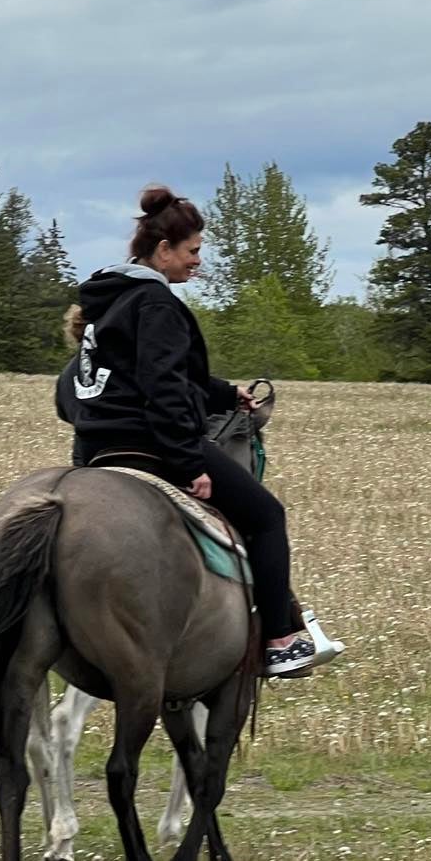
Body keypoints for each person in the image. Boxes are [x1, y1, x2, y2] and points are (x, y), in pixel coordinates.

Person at [62, 184, 342, 680]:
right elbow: (163, 387)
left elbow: (93, 385)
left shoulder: (104, 306)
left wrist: (220, 393)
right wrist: (190, 463)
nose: (198, 262)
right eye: (192, 251)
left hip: (92, 451)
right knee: (267, 516)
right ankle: (280, 640)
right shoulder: (156, 304)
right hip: (151, 445)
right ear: (163, 250)